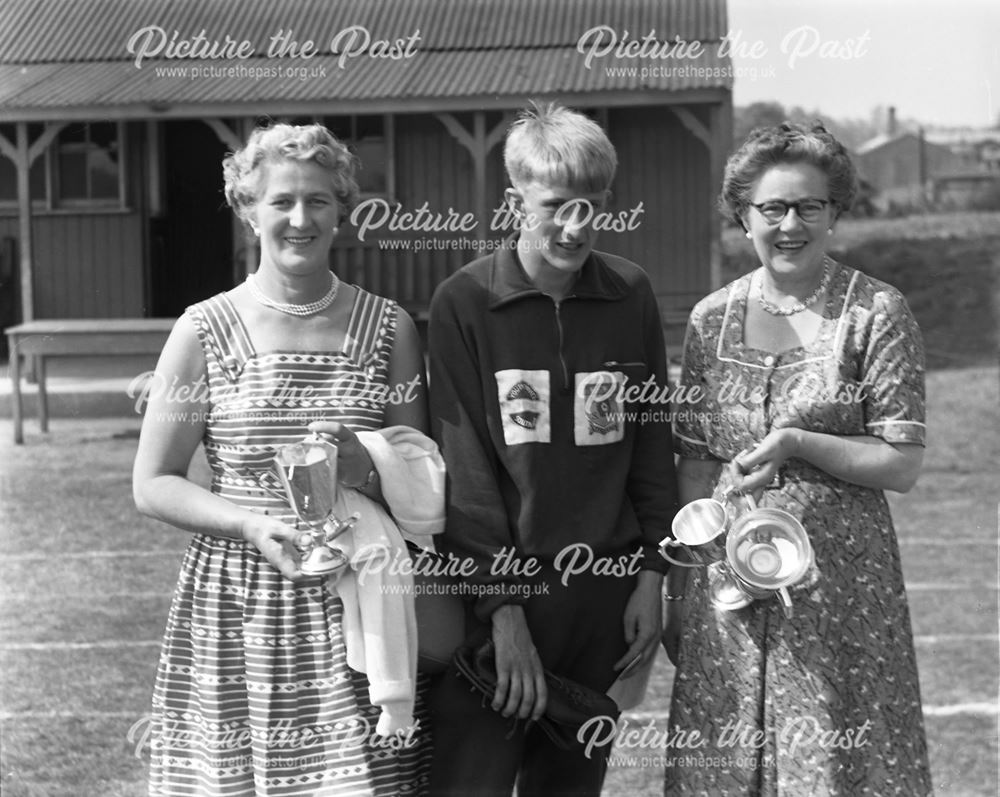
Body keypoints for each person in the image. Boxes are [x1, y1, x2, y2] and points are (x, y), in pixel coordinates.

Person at [132, 123, 437, 795]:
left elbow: (420, 480)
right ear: (247, 209)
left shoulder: (390, 328)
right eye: (282, 201)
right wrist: (248, 524)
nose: (301, 219)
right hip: (238, 599)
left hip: (359, 598)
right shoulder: (202, 329)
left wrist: (364, 460)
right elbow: (153, 482)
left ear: (342, 209)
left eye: (319, 201)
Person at [663, 122, 933, 795]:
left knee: (835, 766)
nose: (790, 223)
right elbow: (694, 464)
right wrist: (681, 591)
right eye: (772, 207)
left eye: (809, 206)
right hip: (726, 591)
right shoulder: (709, 318)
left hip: (841, 592)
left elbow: (900, 462)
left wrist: (798, 442)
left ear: (836, 213)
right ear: (743, 215)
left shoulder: (876, 312)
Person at [426, 101, 679, 796]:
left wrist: (652, 574)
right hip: (497, 600)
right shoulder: (464, 301)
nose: (575, 225)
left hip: (601, 597)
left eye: (592, 206)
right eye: (555, 204)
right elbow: (465, 473)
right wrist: (502, 609)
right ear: (515, 202)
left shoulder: (631, 294)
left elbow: (651, 443)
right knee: (467, 783)